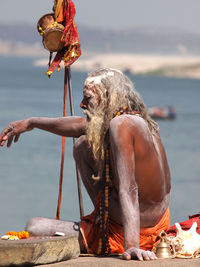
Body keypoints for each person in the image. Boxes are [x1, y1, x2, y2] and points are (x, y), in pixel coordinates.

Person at [0, 68, 171, 261]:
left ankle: (102, 230)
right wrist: (31, 123)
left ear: (107, 98)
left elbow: (129, 188)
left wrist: (131, 247)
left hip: (130, 235)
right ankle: (99, 221)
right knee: (83, 144)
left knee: (34, 226)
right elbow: (77, 126)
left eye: (88, 98)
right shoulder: (135, 121)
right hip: (153, 226)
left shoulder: (121, 124)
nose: (82, 104)